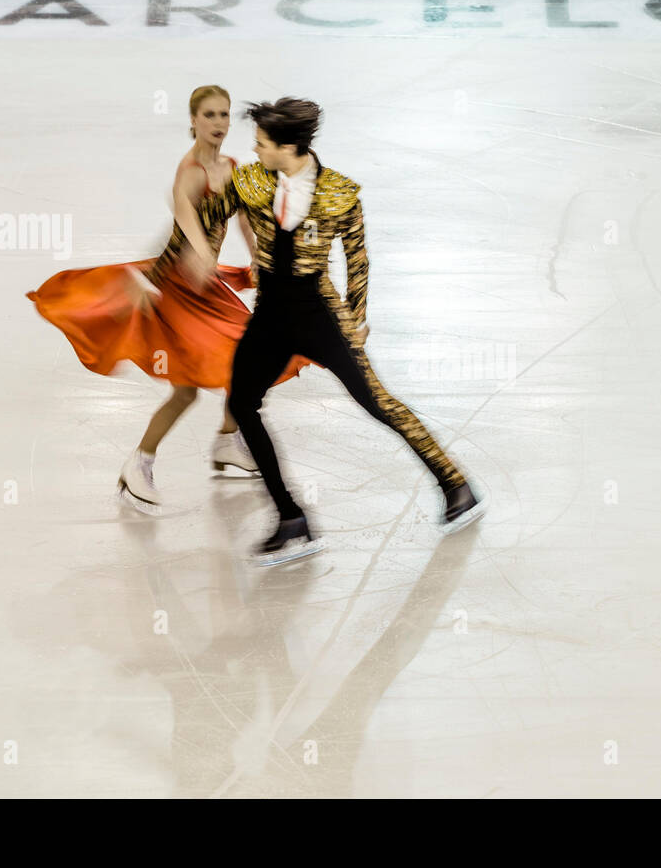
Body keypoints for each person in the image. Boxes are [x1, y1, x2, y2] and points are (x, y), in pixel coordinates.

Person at [192, 97, 484, 565]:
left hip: (320, 316)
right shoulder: (248, 181)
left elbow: (358, 256)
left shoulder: (340, 193)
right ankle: (291, 519)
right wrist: (190, 263)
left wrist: (357, 315)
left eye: (263, 144)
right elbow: (209, 218)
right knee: (242, 403)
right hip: (269, 317)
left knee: (377, 403)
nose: (255, 150)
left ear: (288, 147)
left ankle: (455, 484)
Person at [26, 85, 309, 513]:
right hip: (179, 291)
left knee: (246, 362)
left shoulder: (232, 167)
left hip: (207, 288)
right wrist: (193, 257)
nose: (218, 124)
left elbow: (247, 220)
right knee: (189, 391)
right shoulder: (190, 171)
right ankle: (139, 464)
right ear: (193, 121)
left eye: (224, 115)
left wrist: (258, 262)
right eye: (209, 115)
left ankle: (229, 441)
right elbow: (182, 218)